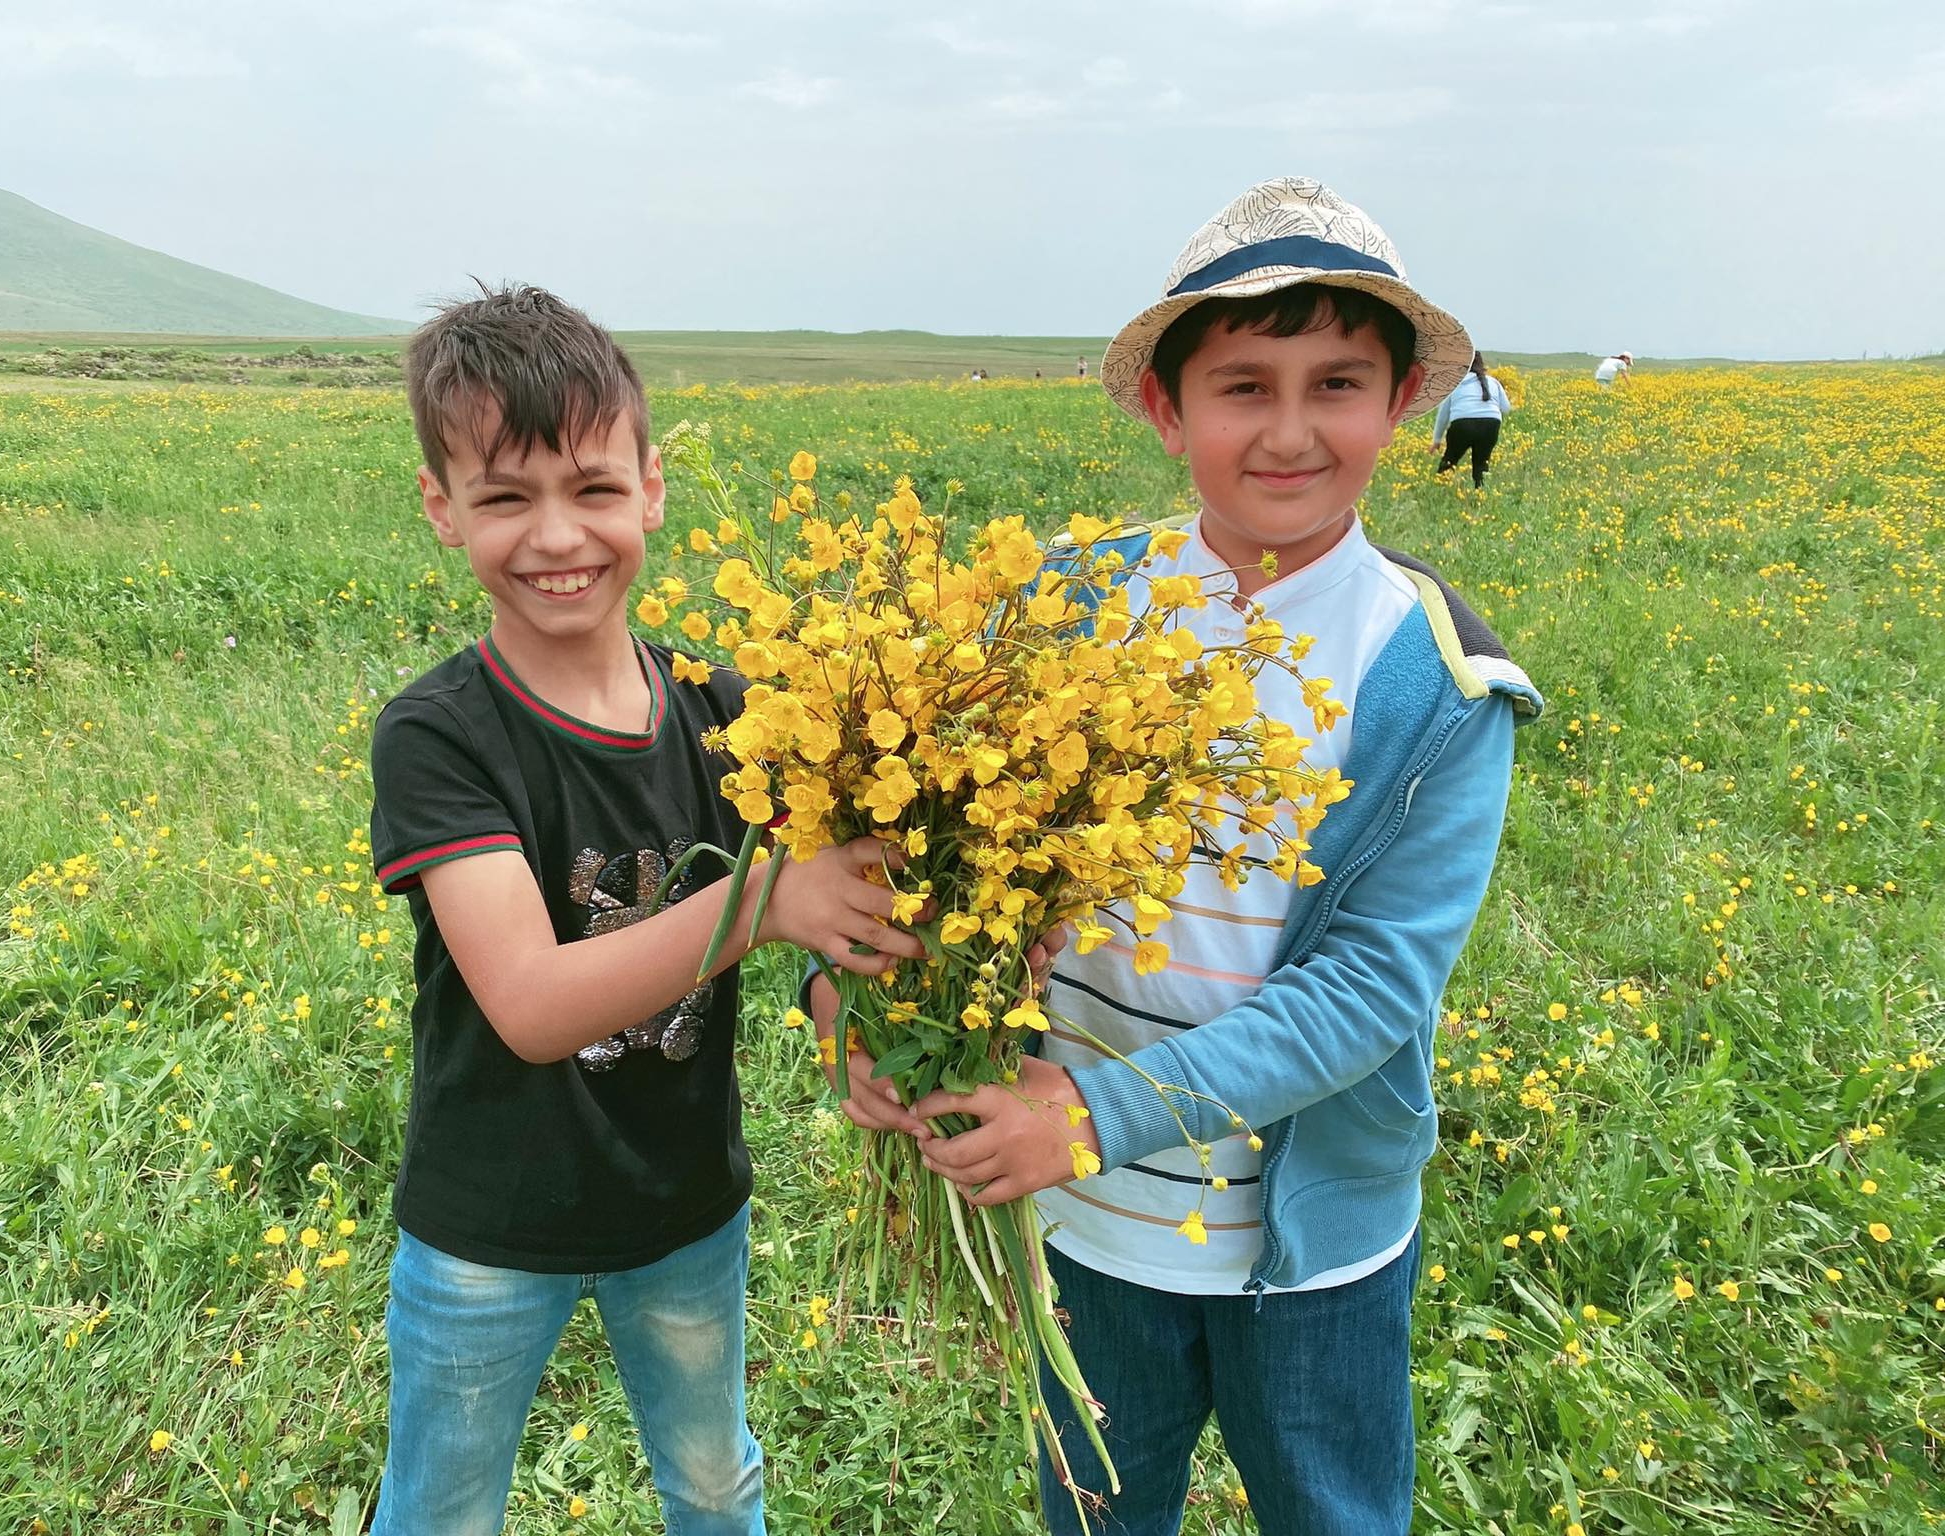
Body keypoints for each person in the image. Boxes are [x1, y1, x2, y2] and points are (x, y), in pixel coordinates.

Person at [831, 177, 1542, 1535]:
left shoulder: (1439, 681)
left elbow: (1371, 993)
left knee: (1332, 1512)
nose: (1288, 431)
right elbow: (922, 853)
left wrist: (1090, 1118)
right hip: (1089, 1233)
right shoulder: (1064, 603)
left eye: (1336, 383)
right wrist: (863, 1012)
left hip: (1314, 1250)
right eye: (1241, 387)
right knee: (1097, 1511)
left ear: (1400, 405)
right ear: (1168, 409)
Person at [366, 283, 924, 1536]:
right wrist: (769, 904)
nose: (556, 534)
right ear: (441, 510)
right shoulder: (439, 737)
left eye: (592, 489)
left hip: (684, 1206)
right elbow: (528, 1004)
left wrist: (851, 1018)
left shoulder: (729, 710)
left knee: (716, 1484)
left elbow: (820, 930)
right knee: (440, 1511)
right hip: (486, 1227)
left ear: (651, 490)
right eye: (506, 497)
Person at [1430, 351, 1513, 488]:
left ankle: (1440, 490)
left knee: (1450, 460)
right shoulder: (1493, 382)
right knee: (1481, 465)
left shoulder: (1455, 384)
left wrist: (1437, 440)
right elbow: (1506, 408)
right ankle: (1480, 496)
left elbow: (1443, 414)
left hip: (1463, 425)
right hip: (1491, 424)